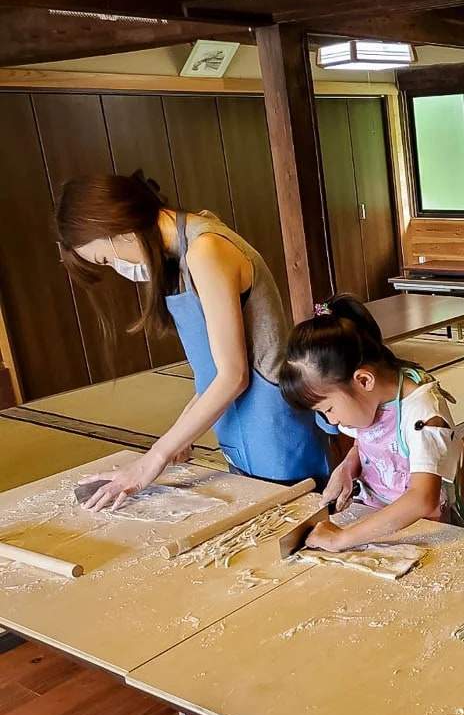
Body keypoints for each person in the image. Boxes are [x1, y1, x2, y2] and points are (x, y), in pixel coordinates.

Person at [250, 293, 462, 715]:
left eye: (326, 408)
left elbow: (421, 498)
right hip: (372, 517)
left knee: (387, 643)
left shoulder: (421, 408)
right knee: (318, 613)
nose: (329, 419)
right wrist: (348, 468)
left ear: (363, 380)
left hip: (426, 535)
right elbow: (361, 439)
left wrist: (344, 537)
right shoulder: (367, 394)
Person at [56, 174, 329, 507]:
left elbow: (233, 375)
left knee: (293, 526)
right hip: (236, 422)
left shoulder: (206, 249)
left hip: (272, 428)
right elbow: (213, 373)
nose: (116, 267)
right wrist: (180, 433)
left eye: (105, 258)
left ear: (118, 230)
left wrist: (152, 461)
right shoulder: (181, 254)